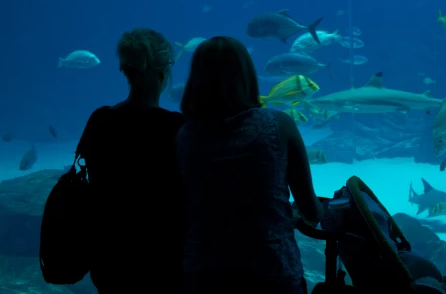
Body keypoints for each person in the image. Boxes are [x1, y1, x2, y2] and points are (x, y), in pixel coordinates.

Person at [177, 36, 323, 294]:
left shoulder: (184, 135)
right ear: (247, 75)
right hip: (272, 272)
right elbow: (311, 211)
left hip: (204, 274)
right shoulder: (279, 124)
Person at [76, 28, 186, 292]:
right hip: (165, 257)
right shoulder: (176, 128)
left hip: (111, 255)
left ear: (124, 70)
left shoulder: (100, 120)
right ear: (164, 70)